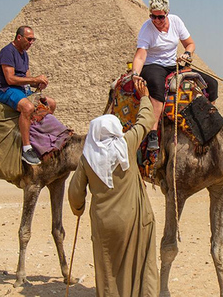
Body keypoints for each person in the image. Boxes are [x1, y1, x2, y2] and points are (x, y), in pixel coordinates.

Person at [68, 80, 159, 297]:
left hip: (104, 224)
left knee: (108, 270)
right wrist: (145, 97)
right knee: (141, 263)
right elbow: (146, 120)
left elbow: (74, 193)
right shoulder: (126, 144)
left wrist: (78, 209)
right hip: (133, 219)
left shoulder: (87, 159)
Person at [131, 0, 218, 151]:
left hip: (174, 64)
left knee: (212, 84)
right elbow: (140, 55)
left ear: (167, 13)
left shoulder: (176, 22)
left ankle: (209, 122)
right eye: (153, 16)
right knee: (157, 90)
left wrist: (187, 54)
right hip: (153, 65)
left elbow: (190, 44)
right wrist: (135, 73)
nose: (156, 20)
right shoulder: (147, 28)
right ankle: (152, 134)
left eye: (160, 17)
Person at [0, 25, 56, 165]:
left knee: (51, 103)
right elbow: (10, 79)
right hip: (6, 90)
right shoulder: (7, 52)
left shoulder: (24, 54)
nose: (31, 42)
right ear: (19, 37)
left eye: (33, 40)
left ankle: (40, 136)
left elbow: (26, 79)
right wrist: (34, 79)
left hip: (22, 90)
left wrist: (38, 84)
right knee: (27, 107)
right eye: (29, 39)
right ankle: (26, 148)